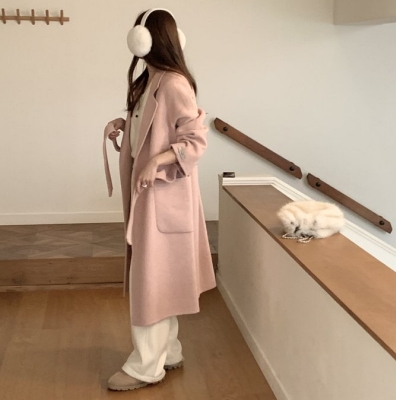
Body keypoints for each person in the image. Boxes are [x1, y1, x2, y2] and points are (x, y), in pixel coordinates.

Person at [102, 8, 216, 392]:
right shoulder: (152, 79)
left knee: (150, 280)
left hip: (164, 196)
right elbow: (153, 126)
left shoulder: (174, 84)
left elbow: (195, 140)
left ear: (145, 40)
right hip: (154, 198)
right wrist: (124, 124)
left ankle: (145, 367)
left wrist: (158, 160)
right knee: (160, 276)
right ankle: (168, 352)